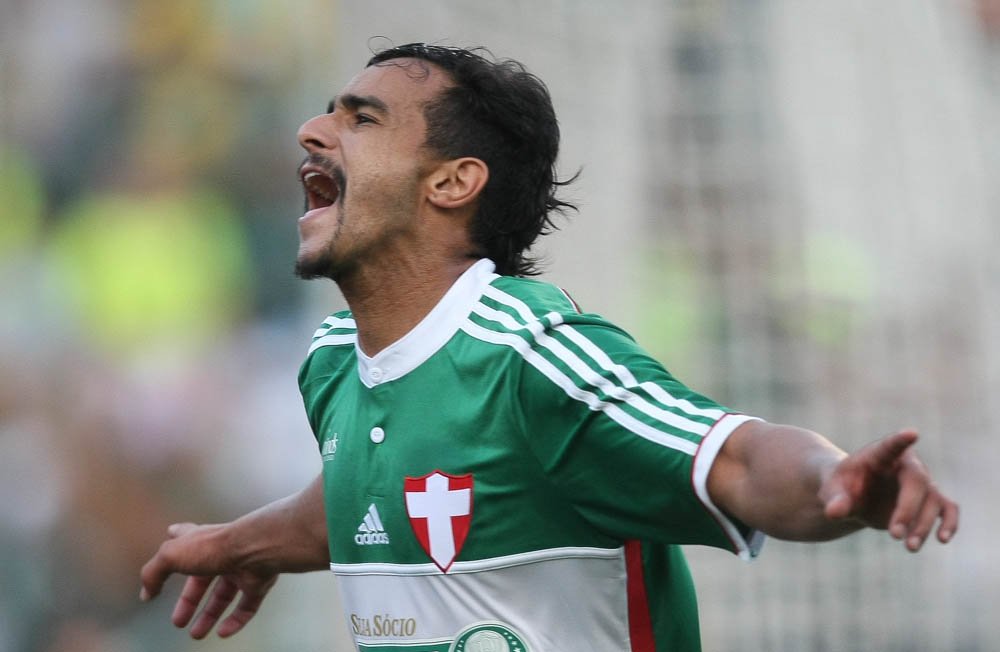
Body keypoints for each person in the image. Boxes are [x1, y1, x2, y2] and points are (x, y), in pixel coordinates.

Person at [139, 43, 959, 652]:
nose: (312, 130)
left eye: (362, 117)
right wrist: (243, 543)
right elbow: (373, 497)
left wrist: (834, 482)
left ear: (452, 182)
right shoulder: (331, 362)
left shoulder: (531, 357)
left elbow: (736, 461)